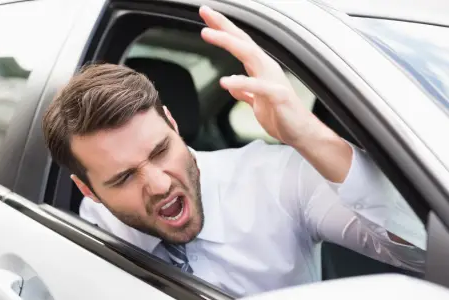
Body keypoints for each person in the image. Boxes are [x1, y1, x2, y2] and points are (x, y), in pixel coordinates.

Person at [42, 6, 426, 298]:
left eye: (161, 151)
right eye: (124, 177)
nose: (158, 184)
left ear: (174, 127)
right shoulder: (92, 221)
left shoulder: (279, 179)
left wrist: (308, 135)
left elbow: (422, 252)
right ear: (90, 191)